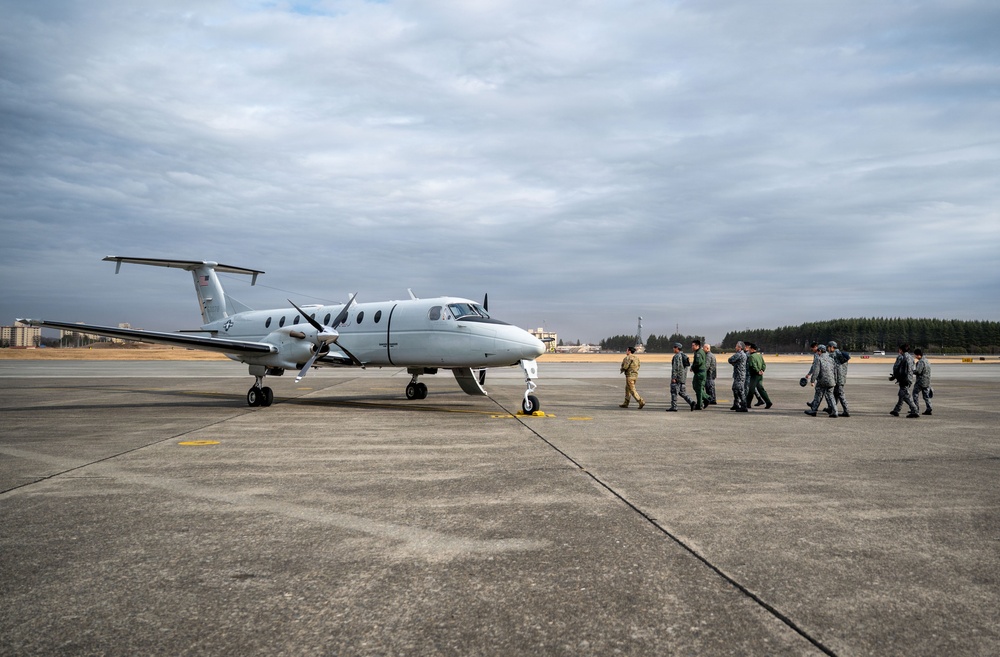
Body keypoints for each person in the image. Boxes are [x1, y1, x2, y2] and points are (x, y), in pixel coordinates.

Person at [805, 344, 837, 417]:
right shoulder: (830, 358)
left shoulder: (819, 359)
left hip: (822, 380)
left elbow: (816, 371)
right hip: (831, 380)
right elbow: (834, 370)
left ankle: (814, 410)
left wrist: (812, 381)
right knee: (831, 396)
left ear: (820, 351)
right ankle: (835, 412)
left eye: (818, 351)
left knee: (818, 395)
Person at [890, 343, 920, 418]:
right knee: (901, 394)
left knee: (906, 396)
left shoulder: (901, 357)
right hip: (909, 378)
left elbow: (896, 368)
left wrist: (894, 376)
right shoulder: (911, 357)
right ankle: (896, 410)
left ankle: (915, 410)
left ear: (901, 350)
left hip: (903, 379)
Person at [667, 342, 695, 412]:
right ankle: (691, 402)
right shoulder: (684, 355)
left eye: (674, 347)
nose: (673, 349)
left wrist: (674, 377)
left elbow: (676, 368)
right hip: (682, 378)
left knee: (674, 392)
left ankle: (674, 406)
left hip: (677, 378)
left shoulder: (677, 356)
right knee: (682, 392)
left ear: (677, 348)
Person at [746, 343, 773, 409]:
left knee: (751, 390)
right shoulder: (760, 356)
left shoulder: (751, 357)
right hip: (760, 375)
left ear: (752, 349)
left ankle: (747, 404)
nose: (748, 350)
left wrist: (757, 371)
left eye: (749, 348)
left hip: (754, 375)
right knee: (761, 389)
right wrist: (762, 370)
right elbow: (764, 364)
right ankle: (768, 401)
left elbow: (753, 365)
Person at [828, 341, 850, 417]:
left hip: (837, 378)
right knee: (836, 395)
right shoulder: (842, 355)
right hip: (842, 378)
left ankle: (846, 410)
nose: (828, 349)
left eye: (829, 347)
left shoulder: (834, 355)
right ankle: (832, 408)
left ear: (832, 347)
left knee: (840, 394)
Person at [728, 341, 748, 412]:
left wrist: (733, 362)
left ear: (739, 347)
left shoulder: (739, 354)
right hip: (738, 374)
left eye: (736, 346)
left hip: (739, 375)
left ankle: (744, 405)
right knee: (735, 389)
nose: (735, 347)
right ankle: (736, 404)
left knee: (739, 390)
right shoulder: (742, 354)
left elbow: (730, 359)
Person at [912, 348, 932, 415]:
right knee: (926, 396)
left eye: (915, 355)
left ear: (918, 355)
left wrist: (911, 371)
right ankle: (929, 408)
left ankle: (915, 408)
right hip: (927, 381)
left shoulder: (921, 362)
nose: (915, 356)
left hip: (921, 381)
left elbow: (918, 371)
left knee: (915, 394)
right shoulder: (927, 361)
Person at [690, 339, 709, 410]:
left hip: (700, 373)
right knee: (696, 386)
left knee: (699, 388)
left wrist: (693, 367)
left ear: (697, 346)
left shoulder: (698, 353)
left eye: (693, 345)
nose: (692, 347)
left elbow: (698, 362)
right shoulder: (698, 352)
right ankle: (706, 398)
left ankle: (701, 403)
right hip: (699, 373)